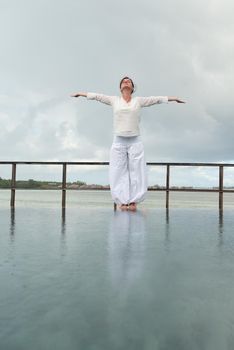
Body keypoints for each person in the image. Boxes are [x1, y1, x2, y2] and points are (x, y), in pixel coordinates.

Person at [71, 77, 185, 211]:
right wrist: (81, 94)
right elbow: (98, 97)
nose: (126, 82)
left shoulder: (138, 101)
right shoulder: (114, 100)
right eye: (124, 81)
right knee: (118, 171)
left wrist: (173, 98)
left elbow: (156, 99)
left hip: (135, 140)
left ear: (132, 87)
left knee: (137, 170)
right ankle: (122, 201)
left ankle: (133, 201)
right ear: (120, 87)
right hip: (119, 140)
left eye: (128, 81)